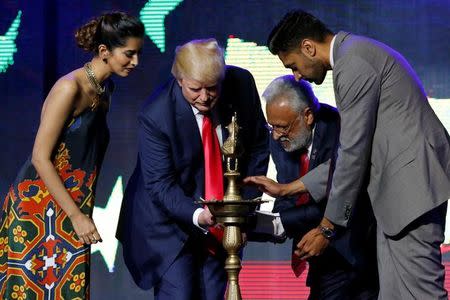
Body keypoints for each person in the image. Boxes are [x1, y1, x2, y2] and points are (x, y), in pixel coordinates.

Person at [266, 9, 450, 299]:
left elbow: (352, 153)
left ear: (308, 47)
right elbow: (347, 154)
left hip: (411, 193)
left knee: (422, 294)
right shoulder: (354, 55)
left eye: (294, 66)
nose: (297, 75)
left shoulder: (352, 64)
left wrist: (327, 228)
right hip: (399, 196)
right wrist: (291, 187)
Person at [0, 12, 144, 299]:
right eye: (129, 54)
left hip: (70, 209)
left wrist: (77, 214)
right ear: (104, 51)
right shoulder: (69, 88)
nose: (136, 62)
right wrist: (77, 216)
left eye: (138, 53)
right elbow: (40, 157)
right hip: (35, 210)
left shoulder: (105, 90)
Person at [116, 38, 269, 300]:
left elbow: (257, 147)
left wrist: (241, 211)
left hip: (222, 221)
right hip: (169, 223)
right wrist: (199, 215)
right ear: (179, 80)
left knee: (213, 294)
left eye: (213, 88)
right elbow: (160, 185)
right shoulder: (157, 115)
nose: (205, 97)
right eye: (195, 89)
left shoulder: (241, 84)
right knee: (181, 294)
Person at [246, 75, 378, 299]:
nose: (276, 135)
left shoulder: (341, 130)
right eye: (272, 127)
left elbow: (339, 198)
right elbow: (287, 194)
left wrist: (279, 223)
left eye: (282, 127)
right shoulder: (280, 138)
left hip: (353, 250)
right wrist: (256, 224)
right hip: (318, 253)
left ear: (307, 115)